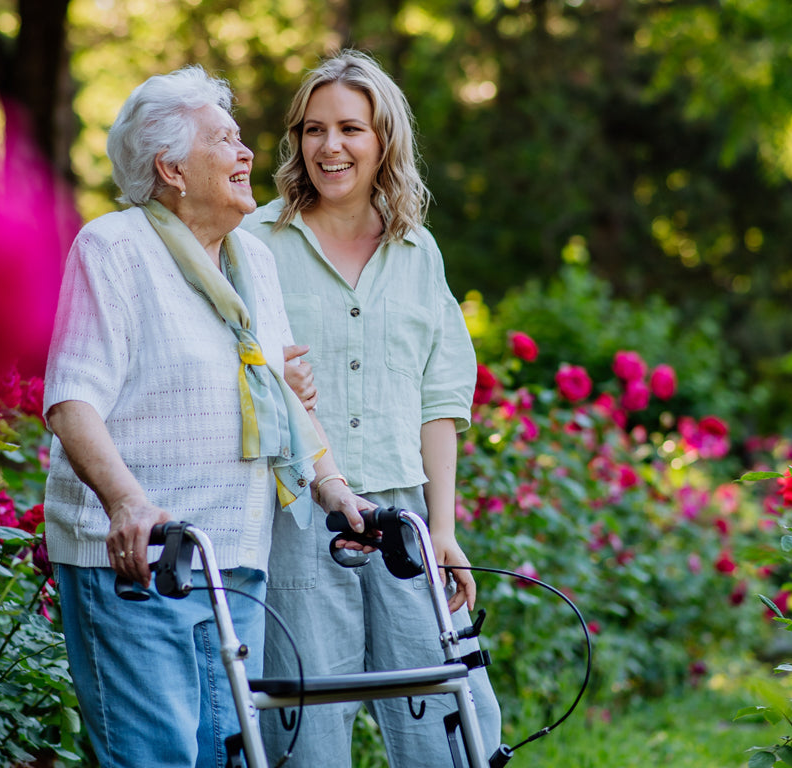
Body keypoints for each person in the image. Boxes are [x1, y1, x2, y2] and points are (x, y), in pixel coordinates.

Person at [42, 66, 369, 768]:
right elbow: (72, 400)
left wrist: (333, 485)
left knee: (227, 756)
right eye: (224, 140)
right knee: (155, 756)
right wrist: (128, 502)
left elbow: (277, 390)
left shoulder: (250, 258)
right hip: (138, 560)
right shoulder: (116, 248)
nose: (248, 153)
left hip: (233, 559)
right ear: (171, 168)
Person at [242, 50, 502, 767]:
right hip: (296, 516)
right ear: (295, 140)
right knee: (304, 733)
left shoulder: (418, 251)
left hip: (404, 520)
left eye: (351, 128)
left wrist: (443, 531)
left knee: (452, 725)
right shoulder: (254, 245)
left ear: (384, 139)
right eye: (314, 129)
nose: (330, 147)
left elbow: (440, 399)